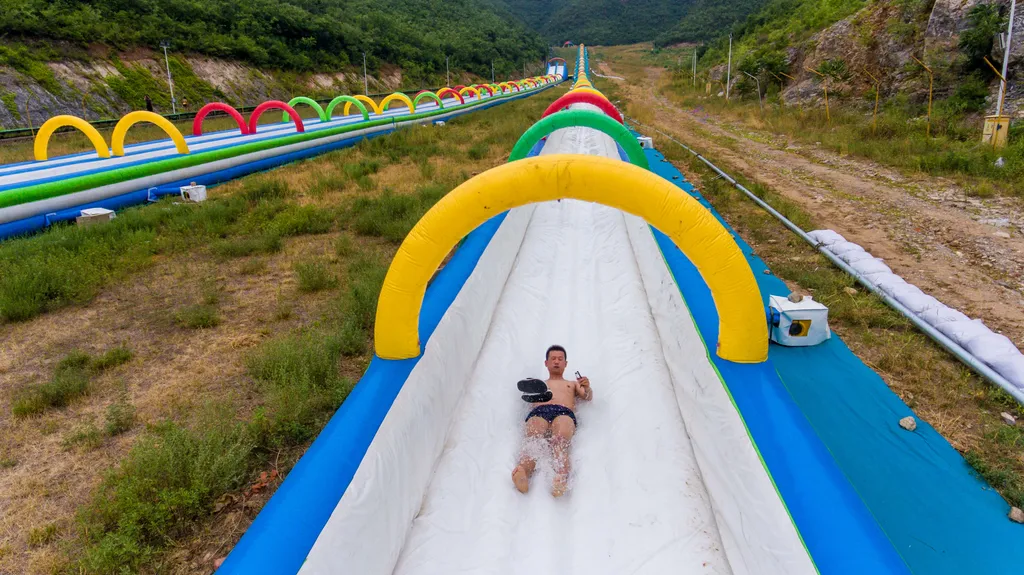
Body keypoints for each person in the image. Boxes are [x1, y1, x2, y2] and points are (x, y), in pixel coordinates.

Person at [511, 345, 592, 497]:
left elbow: (587, 397)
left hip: (564, 412)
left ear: (565, 363)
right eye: (553, 359)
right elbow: (527, 396)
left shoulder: (572, 384)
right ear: (546, 363)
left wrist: (587, 388)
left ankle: (560, 477)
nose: (556, 362)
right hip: (539, 412)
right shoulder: (539, 384)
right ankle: (523, 470)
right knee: (533, 439)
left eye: (560, 359)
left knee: (560, 440)